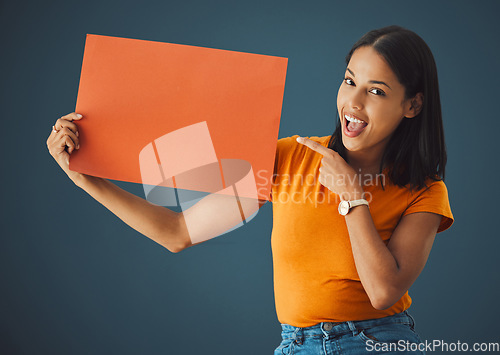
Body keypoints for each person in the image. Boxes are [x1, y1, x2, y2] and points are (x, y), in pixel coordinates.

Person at [47, 24, 454, 355]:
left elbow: (383, 292)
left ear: (412, 105)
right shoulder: (290, 158)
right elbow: (178, 233)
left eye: (377, 91)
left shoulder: (425, 191)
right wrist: (85, 177)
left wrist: (352, 197)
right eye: (350, 81)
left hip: (377, 342)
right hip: (294, 345)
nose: (354, 101)